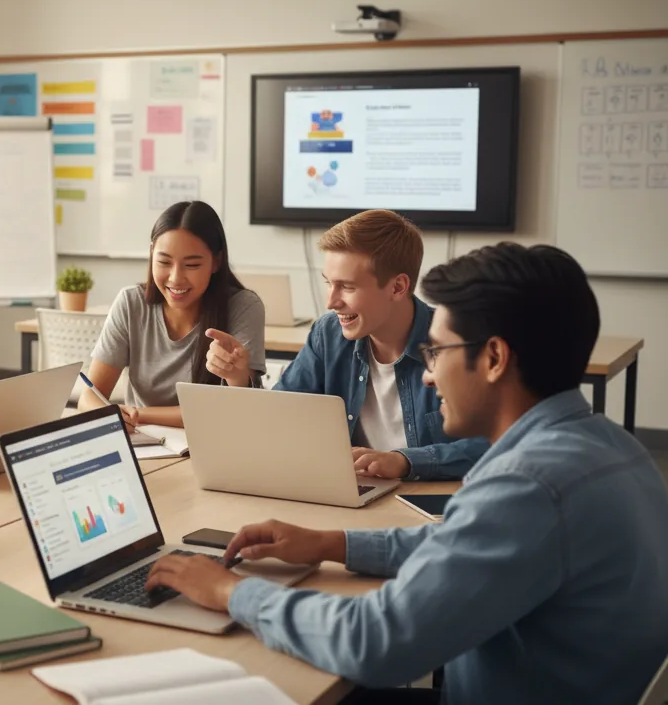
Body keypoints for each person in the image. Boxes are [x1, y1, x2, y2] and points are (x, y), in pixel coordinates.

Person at [149, 243, 668, 704]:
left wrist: (229, 592)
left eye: (437, 352)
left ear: (493, 358)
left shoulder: (527, 486)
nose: (426, 372)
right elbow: (460, 547)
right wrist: (331, 544)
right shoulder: (613, 446)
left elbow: (374, 644)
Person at [214, 209, 485, 480]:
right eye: (328, 283)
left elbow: (495, 444)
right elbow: (280, 419)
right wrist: (240, 382)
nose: (331, 302)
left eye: (347, 287)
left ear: (398, 287)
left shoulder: (454, 344)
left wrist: (405, 461)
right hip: (354, 494)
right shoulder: (327, 334)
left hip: (426, 504)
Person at [80, 200, 264, 430]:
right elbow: (88, 397)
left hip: (212, 443)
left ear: (216, 262)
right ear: (151, 255)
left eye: (192, 265)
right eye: (164, 262)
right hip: (145, 446)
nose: (176, 278)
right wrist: (109, 414)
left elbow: (226, 411)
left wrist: (139, 414)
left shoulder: (244, 306)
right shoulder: (131, 303)